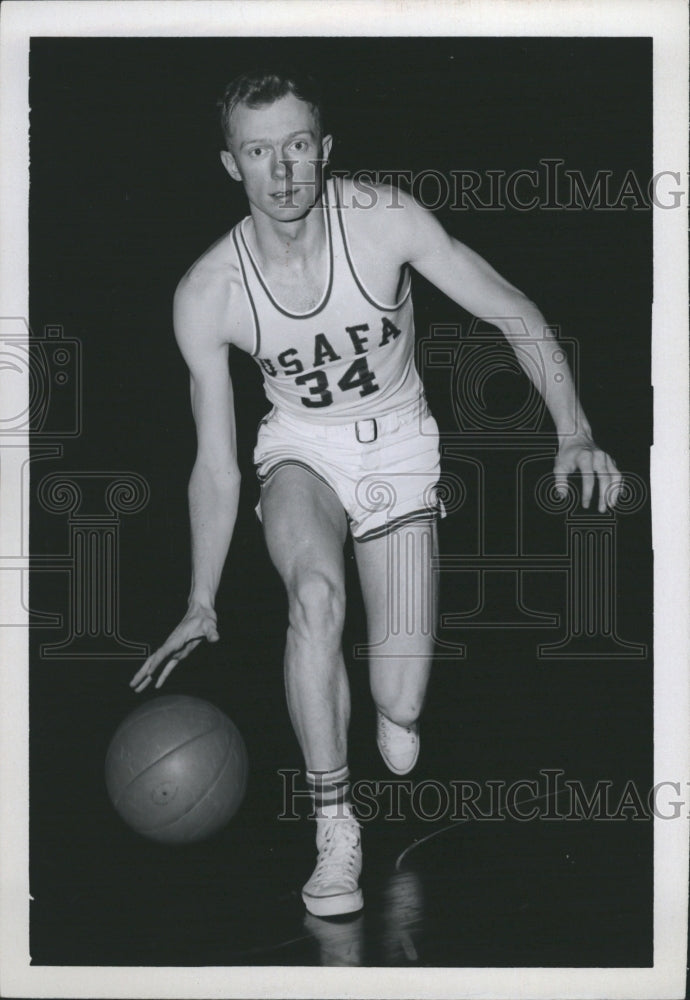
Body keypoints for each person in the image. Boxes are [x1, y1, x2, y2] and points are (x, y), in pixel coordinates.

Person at [129, 68, 622, 918]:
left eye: (295, 147)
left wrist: (572, 428)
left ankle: (396, 710)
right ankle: (333, 829)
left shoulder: (384, 221)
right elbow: (215, 464)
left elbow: (509, 309)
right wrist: (202, 597)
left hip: (397, 448)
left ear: (322, 152)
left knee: (399, 703)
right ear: (230, 164)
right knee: (313, 599)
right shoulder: (208, 294)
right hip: (302, 453)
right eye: (258, 151)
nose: (282, 172)